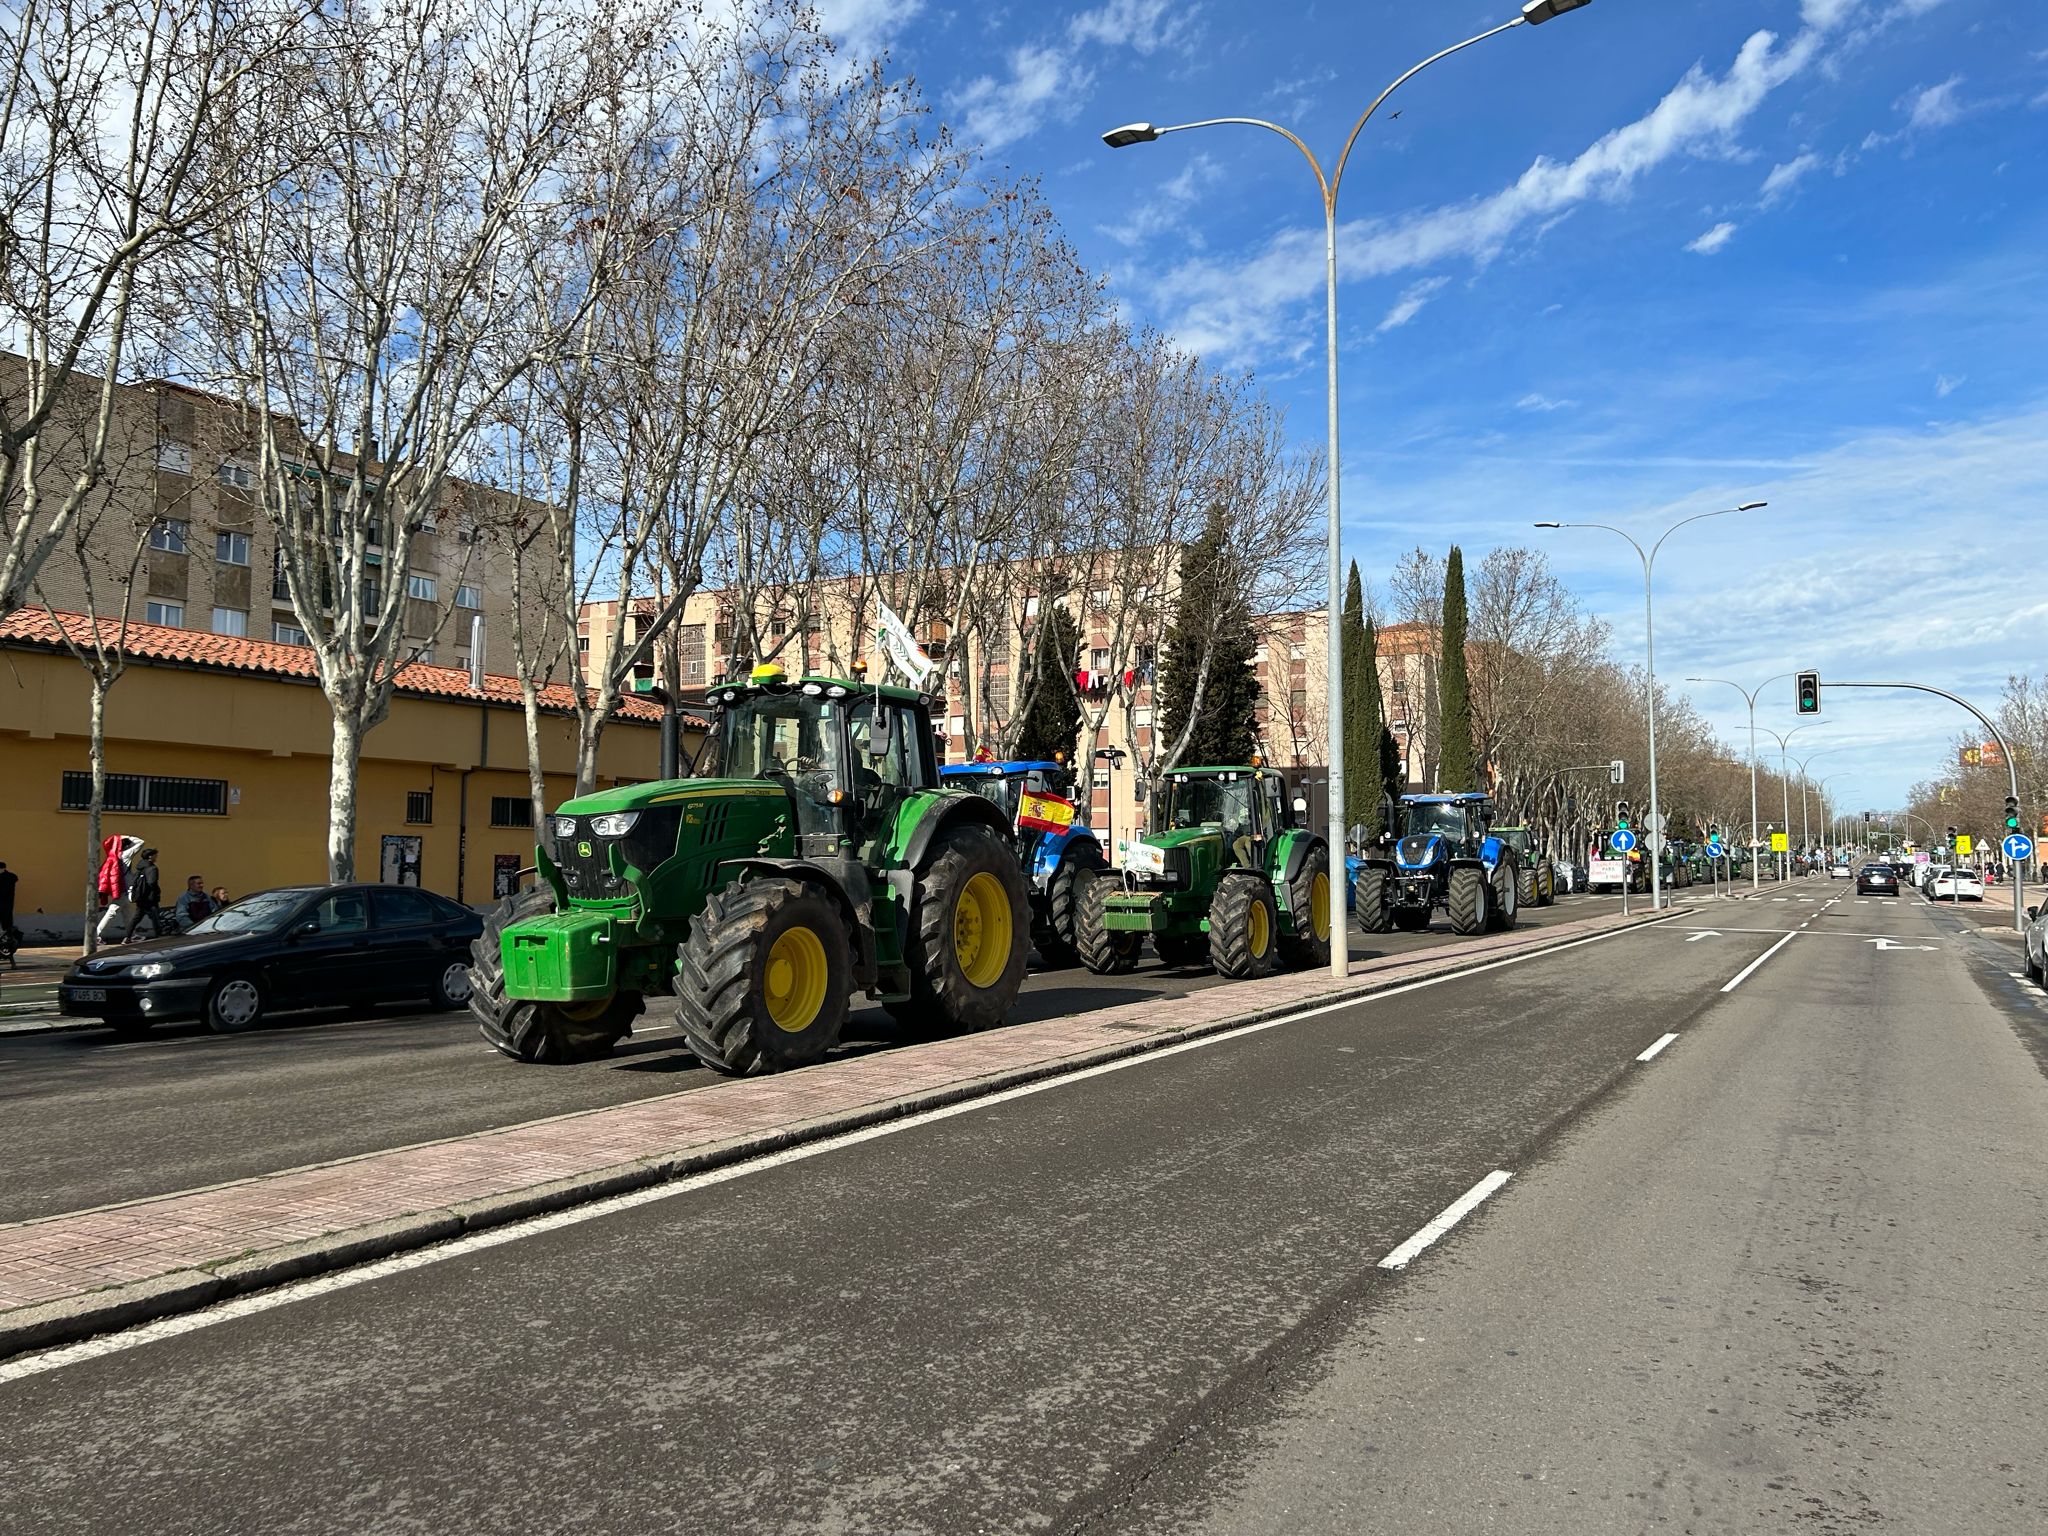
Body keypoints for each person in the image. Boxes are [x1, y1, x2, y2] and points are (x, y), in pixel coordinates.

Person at [123, 848, 163, 941]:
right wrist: (157, 891)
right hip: (150, 898)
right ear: (150, 857)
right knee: (155, 917)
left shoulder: (140, 867)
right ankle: (160, 936)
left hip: (140, 896)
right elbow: (152, 882)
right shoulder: (152, 868)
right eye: (155, 855)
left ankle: (127, 936)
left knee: (136, 918)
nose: (156, 857)